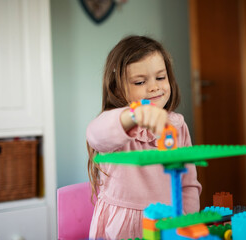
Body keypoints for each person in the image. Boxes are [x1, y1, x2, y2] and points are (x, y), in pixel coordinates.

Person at [86, 35, 202, 240]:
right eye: (140, 81)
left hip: (168, 223)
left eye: (160, 78)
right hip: (123, 227)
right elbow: (95, 135)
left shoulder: (177, 125)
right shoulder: (116, 124)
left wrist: (188, 220)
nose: (154, 88)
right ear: (117, 87)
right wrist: (134, 115)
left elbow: (188, 183)